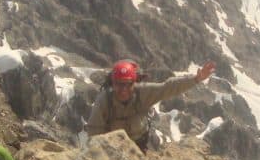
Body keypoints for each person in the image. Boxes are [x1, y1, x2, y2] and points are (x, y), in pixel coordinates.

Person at [86, 59, 216, 151]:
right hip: (111, 149)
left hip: (139, 146)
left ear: (134, 83)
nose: (124, 89)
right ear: (112, 83)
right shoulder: (104, 100)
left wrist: (195, 79)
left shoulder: (142, 93)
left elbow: (168, 87)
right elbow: (94, 130)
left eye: (128, 84)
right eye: (119, 84)